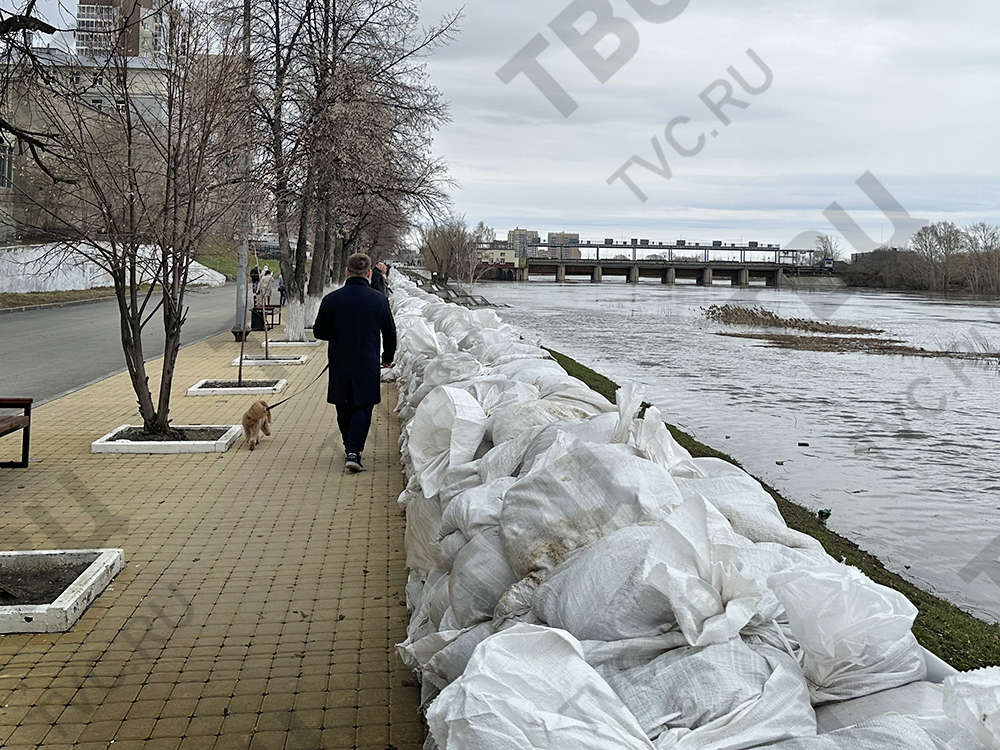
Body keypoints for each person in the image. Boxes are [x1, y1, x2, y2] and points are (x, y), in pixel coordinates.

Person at [312, 253, 396, 473]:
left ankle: (350, 448)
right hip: (366, 362)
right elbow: (390, 332)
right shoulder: (379, 300)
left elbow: (319, 332)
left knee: (343, 404)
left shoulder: (331, 299)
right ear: (369, 274)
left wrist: (340, 333)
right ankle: (353, 451)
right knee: (363, 405)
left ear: (347, 272)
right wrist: (387, 356)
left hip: (339, 360)